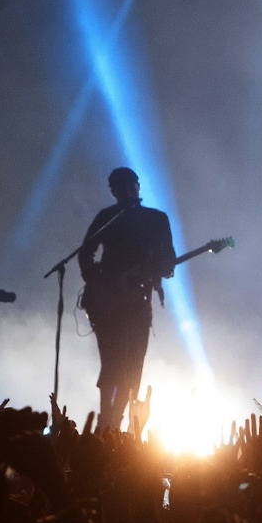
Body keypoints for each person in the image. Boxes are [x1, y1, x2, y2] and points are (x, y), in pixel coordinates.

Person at [77, 167, 175, 429]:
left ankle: (116, 424)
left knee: (133, 366)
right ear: (113, 191)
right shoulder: (107, 217)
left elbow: (169, 261)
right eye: (119, 186)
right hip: (108, 304)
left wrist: (159, 269)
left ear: (138, 186)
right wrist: (97, 282)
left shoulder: (157, 219)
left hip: (137, 302)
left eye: (130, 185)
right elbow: (85, 253)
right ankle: (106, 422)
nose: (126, 190)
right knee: (112, 363)